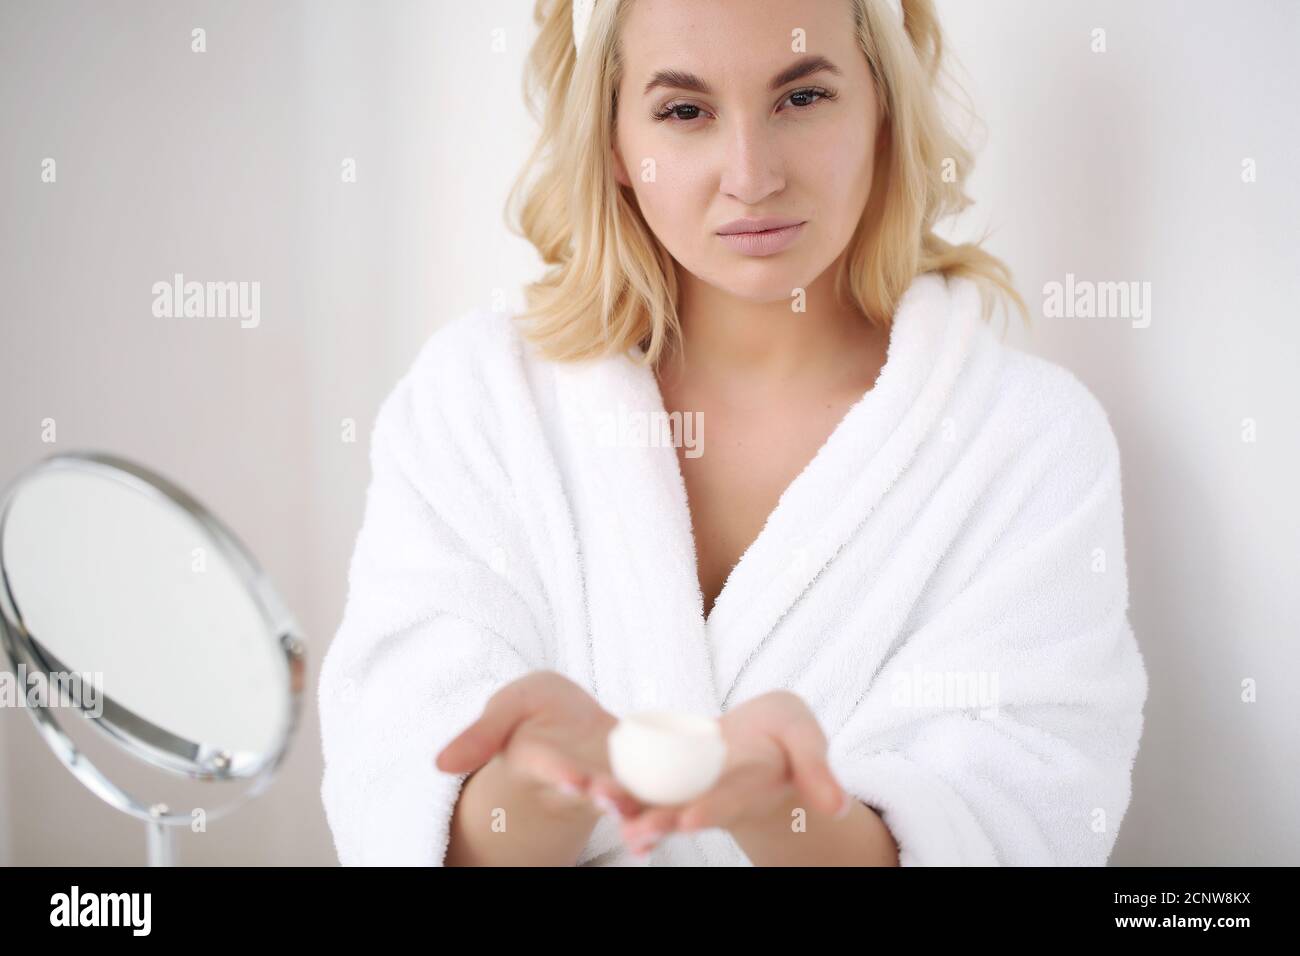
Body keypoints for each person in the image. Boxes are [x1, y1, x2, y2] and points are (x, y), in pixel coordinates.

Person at [318, 0, 1148, 866]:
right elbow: (394, 794)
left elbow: (1024, 822)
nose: (751, 176)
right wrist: (539, 783)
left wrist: (789, 810)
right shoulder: (476, 405)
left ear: (882, 109)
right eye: (684, 111)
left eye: (802, 98)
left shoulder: (1023, 442)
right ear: (611, 141)